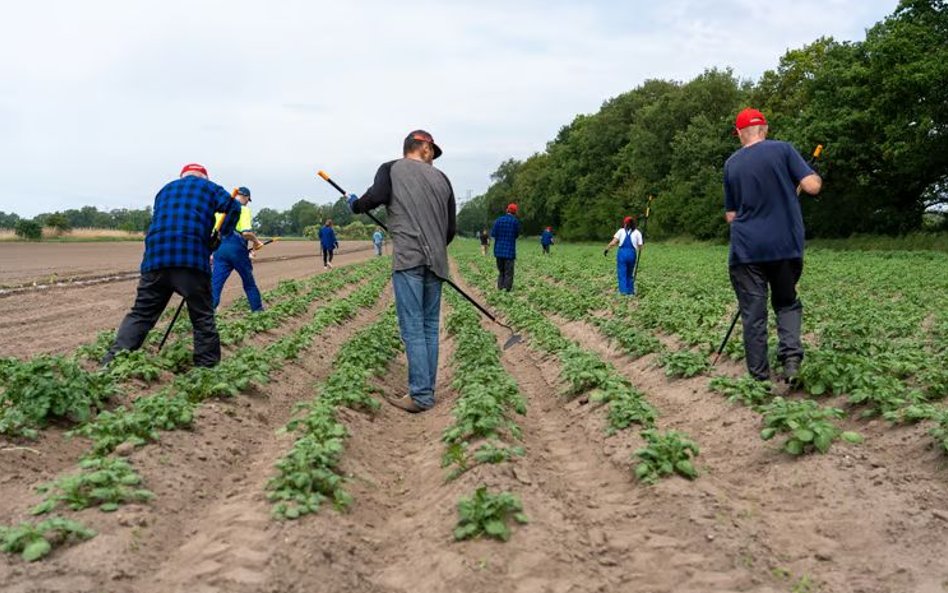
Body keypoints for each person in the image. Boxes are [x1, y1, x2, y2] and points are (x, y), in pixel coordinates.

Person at [348, 130, 456, 413]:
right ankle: (426, 390)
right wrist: (432, 245)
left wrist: (356, 205)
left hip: (409, 259)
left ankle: (420, 396)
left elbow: (375, 198)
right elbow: (450, 231)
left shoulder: (390, 169)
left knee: (413, 328)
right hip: (437, 263)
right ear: (421, 147)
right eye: (432, 150)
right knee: (430, 327)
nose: (433, 156)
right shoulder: (443, 180)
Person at [102, 163, 241, 368]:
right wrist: (219, 235)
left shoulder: (164, 191)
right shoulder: (208, 188)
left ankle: (111, 364)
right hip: (191, 260)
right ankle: (207, 368)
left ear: (182, 176)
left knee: (141, 314)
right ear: (205, 178)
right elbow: (234, 207)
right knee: (202, 316)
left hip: (155, 260)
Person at [724, 107, 821, 382]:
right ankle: (791, 361)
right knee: (786, 302)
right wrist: (809, 177)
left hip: (746, 250)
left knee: (753, 314)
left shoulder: (731, 163)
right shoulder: (784, 150)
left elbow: (731, 215)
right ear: (764, 129)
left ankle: (760, 378)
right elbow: (812, 186)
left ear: (741, 133)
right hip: (784, 245)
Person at [211, 187, 265, 312]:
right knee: (249, 283)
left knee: (215, 284)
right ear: (245, 197)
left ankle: (208, 312)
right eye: (248, 199)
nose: (247, 202)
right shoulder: (243, 209)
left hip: (219, 249)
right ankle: (257, 311)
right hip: (236, 248)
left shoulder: (219, 211)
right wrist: (256, 242)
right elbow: (246, 233)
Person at [603, 216, 643, 296]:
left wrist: (607, 249)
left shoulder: (621, 231)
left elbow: (613, 242)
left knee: (622, 273)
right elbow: (640, 247)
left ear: (625, 224)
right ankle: (630, 292)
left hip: (622, 254)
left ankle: (623, 292)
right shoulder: (638, 232)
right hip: (632, 254)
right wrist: (641, 246)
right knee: (629, 273)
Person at [491, 204, 520, 291]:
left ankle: (500, 288)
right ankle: (507, 290)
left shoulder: (498, 220)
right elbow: (516, 235)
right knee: (509, 273)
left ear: (507, 210)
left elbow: (493, 234)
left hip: (498, 250)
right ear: (515, 212)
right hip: (509, 251)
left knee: (501, 272)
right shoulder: (515, 222)